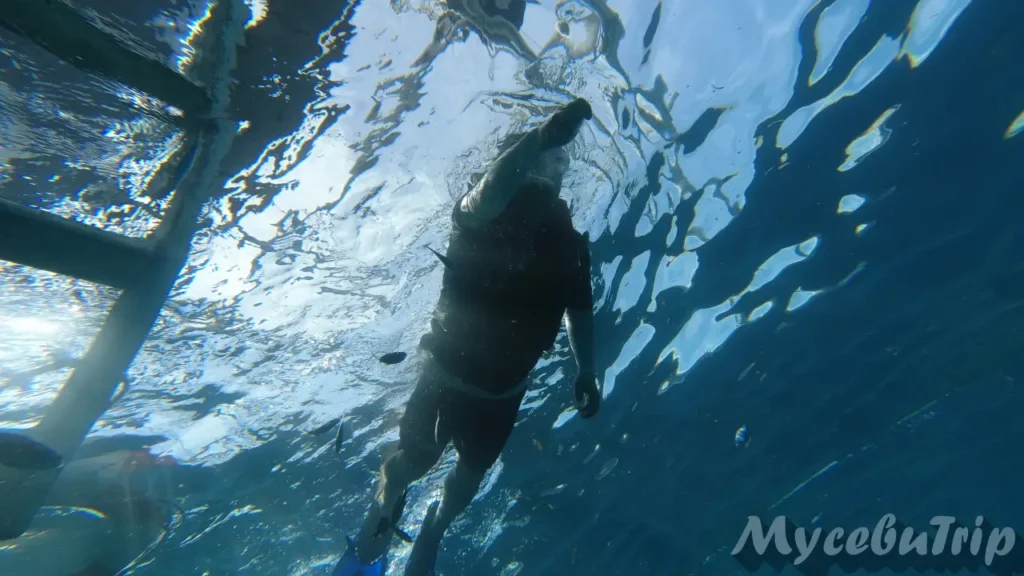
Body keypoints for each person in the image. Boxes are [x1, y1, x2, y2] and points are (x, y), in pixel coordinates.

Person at [335, 97, 600, 576]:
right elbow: (488, 194)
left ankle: (430, 537)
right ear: (513, 163)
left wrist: (587, 369)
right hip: (445, 380)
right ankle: (380, 515)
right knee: (408, 466)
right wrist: (540, 138)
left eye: (556, 163)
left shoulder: (571, 246)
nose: (548, 171)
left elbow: (580, 309)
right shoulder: (479, 216)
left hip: (504, 398)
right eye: (538, 161)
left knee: (465, 484)